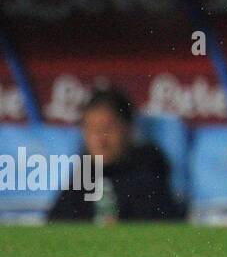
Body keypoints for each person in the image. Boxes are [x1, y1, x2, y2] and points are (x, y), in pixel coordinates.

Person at [47, 87, 183, 222]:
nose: (100, 140)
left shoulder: (149, 177)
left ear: (128, 129)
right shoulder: (81, 178)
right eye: (92, 130)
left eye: (107, 128)